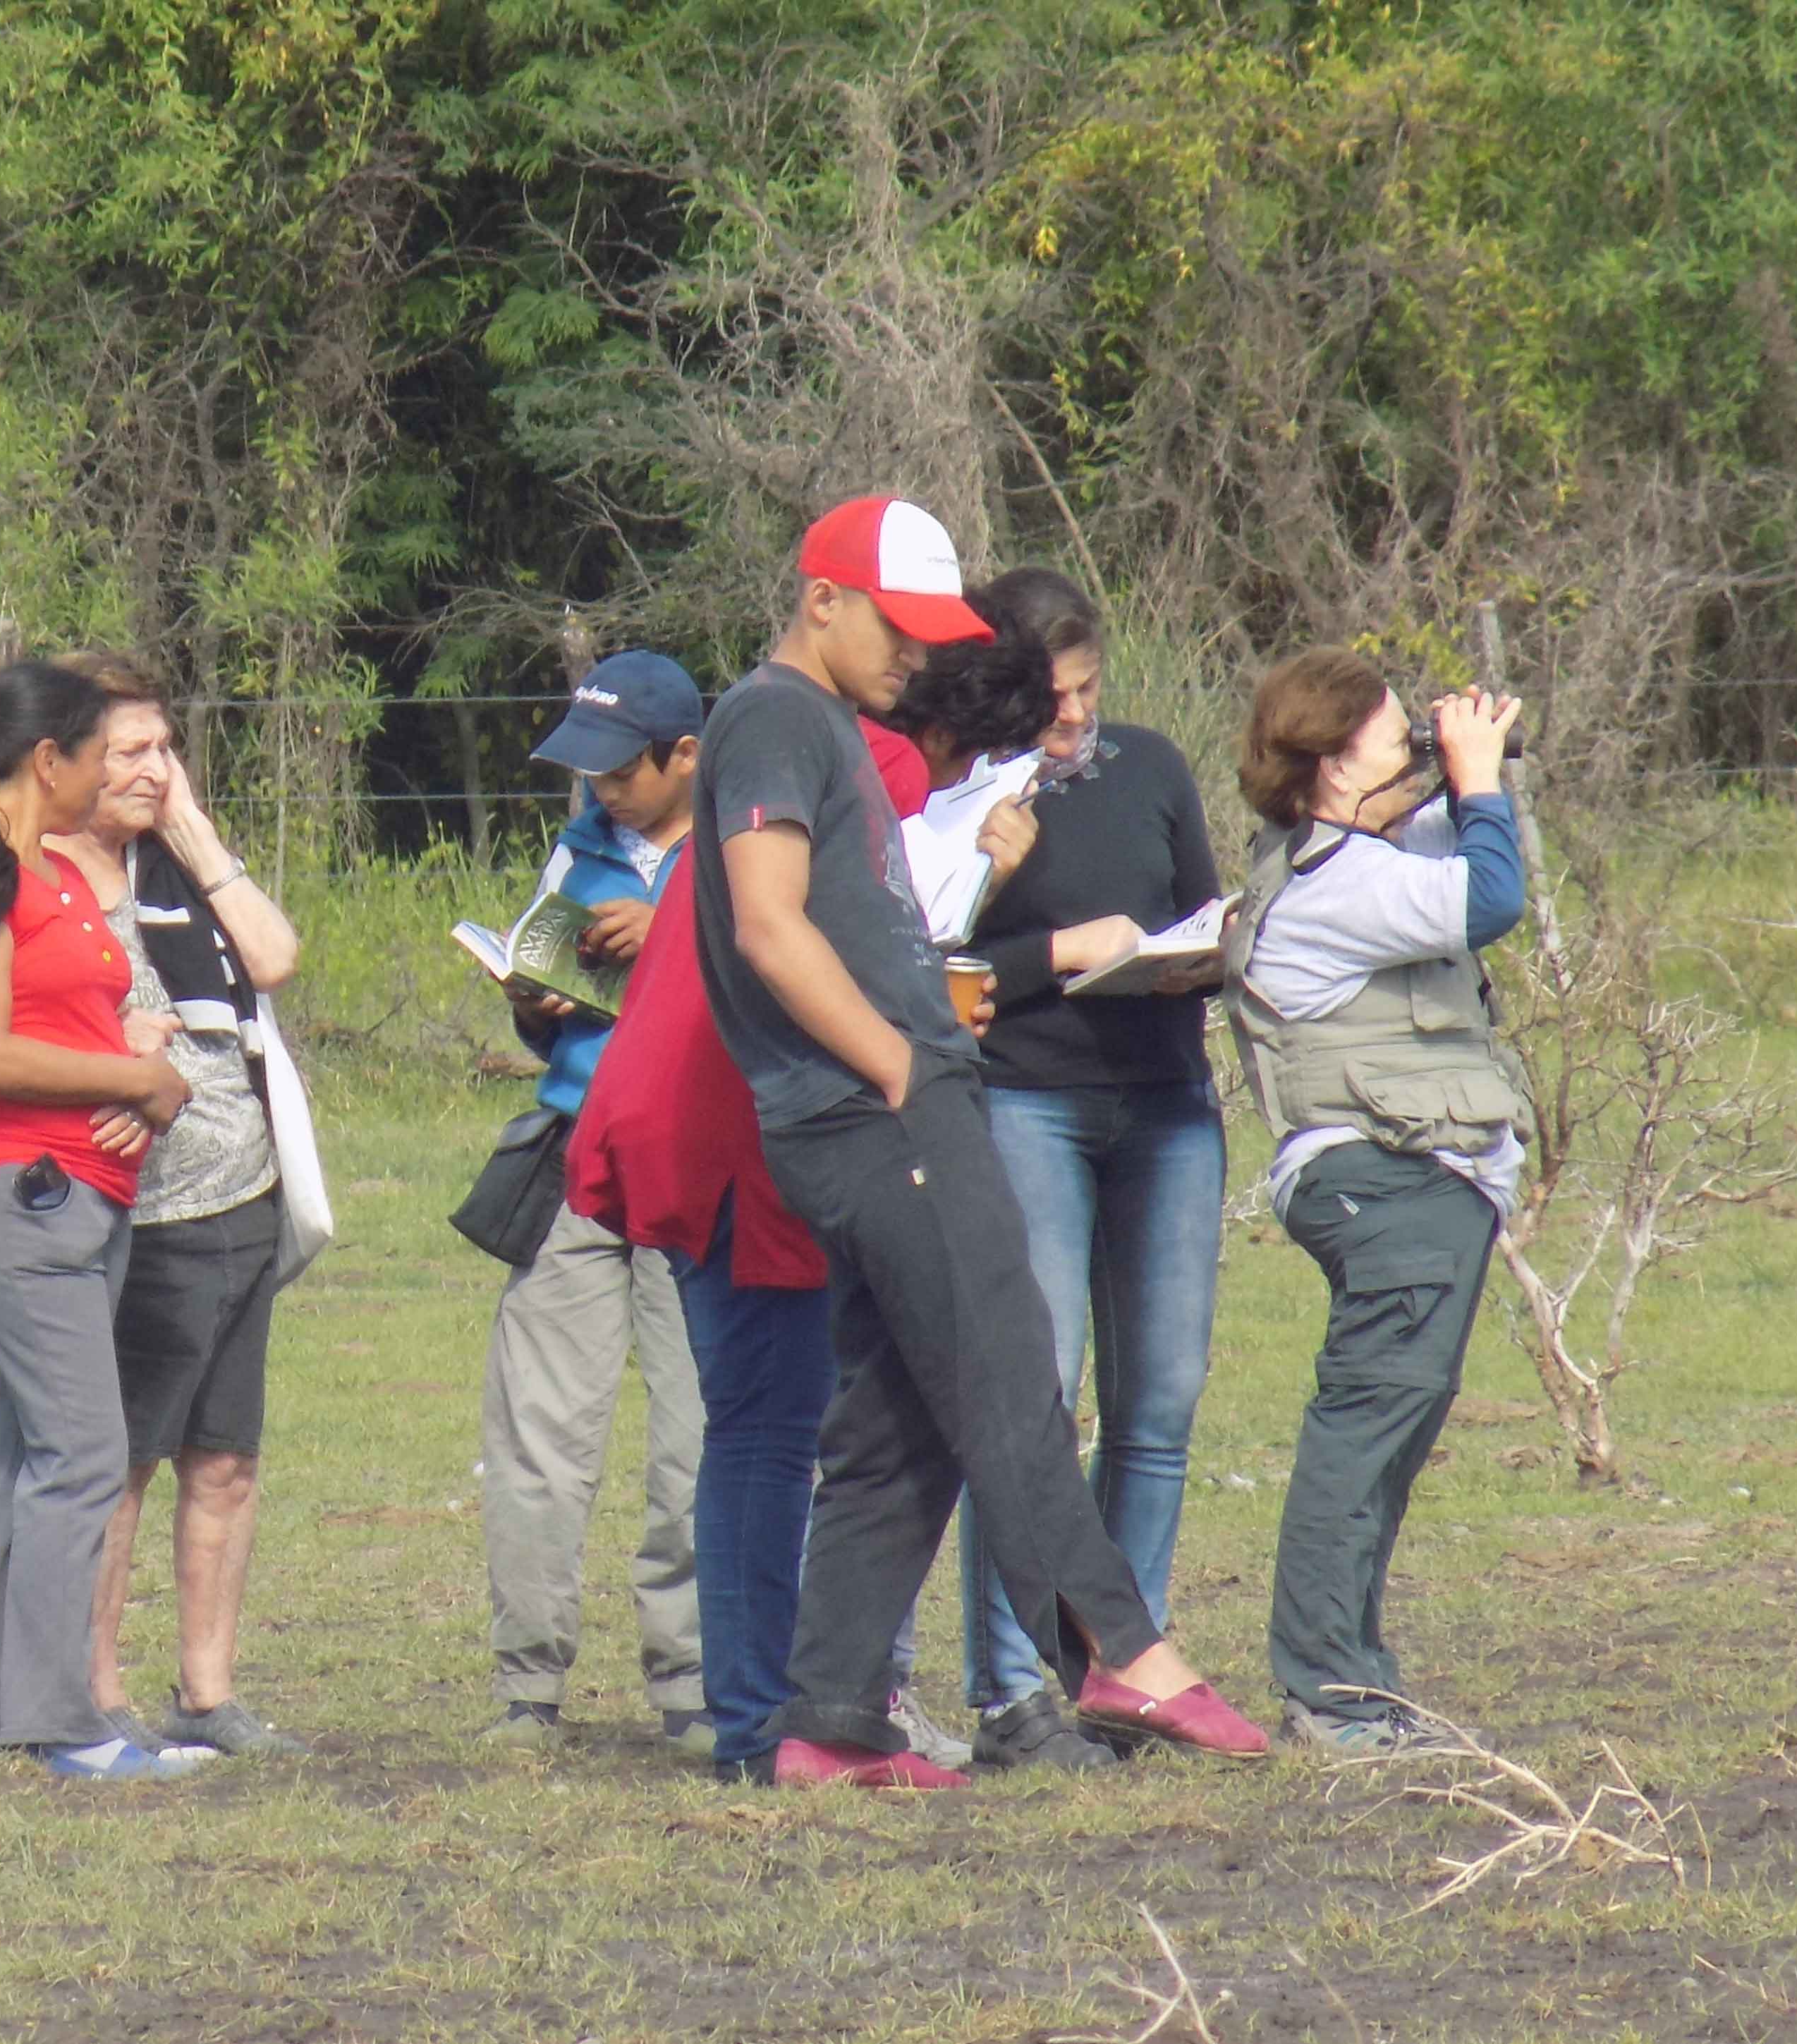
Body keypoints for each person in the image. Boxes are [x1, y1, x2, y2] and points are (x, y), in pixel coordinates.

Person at [691, 494, 1268, 1789]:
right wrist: (899, 1062)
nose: (916, 655)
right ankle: (1118, 1646)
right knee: (1009, 1368)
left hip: (874, 1103)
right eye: (897, 627)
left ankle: (830, 1722)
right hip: (880, 1107)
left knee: (900, 1422)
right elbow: (770, 926)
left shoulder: (825, 725)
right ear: (821, 599)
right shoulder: (775, 717)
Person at [564, 695, 977, 1784]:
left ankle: (778, 1708)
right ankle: (760, 1722)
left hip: (690, 1113)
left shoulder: (773, 773)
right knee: (765, 1428)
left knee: (761, 1424)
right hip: (727, 1130)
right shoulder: (847, 774)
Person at [944, 569, 1235, 1774]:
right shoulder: (967, 796)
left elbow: (1206, 914)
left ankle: (1133, 1670)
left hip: (1167, 1103)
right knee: (1037, 1395)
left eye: (1089, 688)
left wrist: (1200, 954)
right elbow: (941, 964)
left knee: (1158, 1401)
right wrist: (1058, 946)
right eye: (1052, 696)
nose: (1074, 716)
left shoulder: (1153, 767)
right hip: (1029, 1103)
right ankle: (1016, 1686)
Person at [1224, 649, 1528, 1754]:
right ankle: (1332, 1694)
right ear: (1334, 762)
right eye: (1398, 736)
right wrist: (1476, 776)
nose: (1416, 748)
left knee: (1386, 1435)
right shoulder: (1340, 882)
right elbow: (1492, 896)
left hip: (1408, 1178)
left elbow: (1474, 847)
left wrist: (1477, 766)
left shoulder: (1362, 854)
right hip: (1386, 1178)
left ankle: (1352, 1682)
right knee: (1363, 1437)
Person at [0, 659, 200, 1782]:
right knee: (84, 1452)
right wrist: (135, 1080)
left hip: (79, 1194)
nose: (113, 774)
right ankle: (65, 1723)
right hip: (13, 1195)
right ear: (47, 760)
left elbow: (74, 1025)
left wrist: (139, 1063)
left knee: (28, 1451)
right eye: (96, 753)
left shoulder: (57, 874)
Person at [42, 654, 313, 1758]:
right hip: (136, 1215)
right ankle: (96, 1692)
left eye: (167, 748)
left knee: (226, 1457)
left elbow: (274, 955)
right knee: (127, 1463)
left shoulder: (174, 863)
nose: (154, 770)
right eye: (129, 752)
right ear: (65, 762)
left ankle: (208, 1690)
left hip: (244, 1193)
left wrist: (193, 830)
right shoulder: (42, 878)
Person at [475, 650, 709, 1754]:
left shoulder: (745, 852)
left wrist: (670, 936)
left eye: (622, 771)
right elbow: (549, 1017)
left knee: (698, 1435)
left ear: (686, 757)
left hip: (697, 1164)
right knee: (537, 1431)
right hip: (576, 1161)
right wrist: (536, 998)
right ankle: (528, 1685)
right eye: (591, 772)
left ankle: (697, 1682)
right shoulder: (577, 850)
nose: (603, 789)